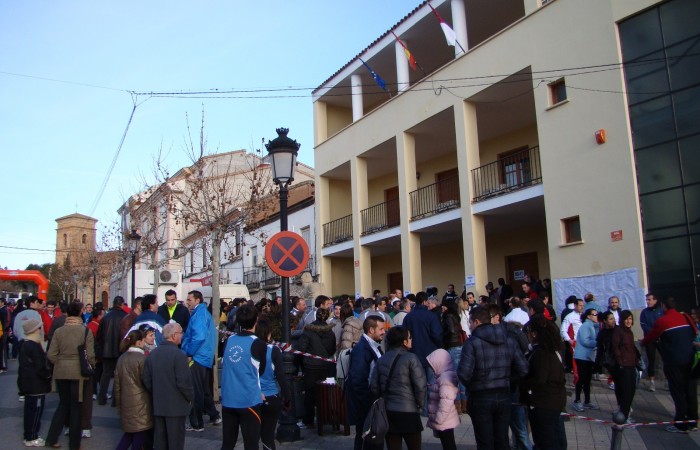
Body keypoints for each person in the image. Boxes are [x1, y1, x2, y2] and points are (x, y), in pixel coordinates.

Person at [458, 306, 528, 450]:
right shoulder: (509, 340)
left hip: (480, 396)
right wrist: (508, 380)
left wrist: (474, 385)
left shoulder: (472, 343)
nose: (469, 326)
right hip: (504, 394)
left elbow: (464, 373)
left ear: (476, 322)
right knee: (502, 439)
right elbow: (523, 368)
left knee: (485, 442)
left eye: (470, 323)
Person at [641, 296, 698, 433]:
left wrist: (642, 343)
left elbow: (649, 338)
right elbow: (695, 332)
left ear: (663, 306)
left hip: (674, 361)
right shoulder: (685, 317)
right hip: (690, 359)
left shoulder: (662, 321)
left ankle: (681, 423)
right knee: (690, 390)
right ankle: (693, 420)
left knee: (678, 391)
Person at [45, 302, 95, 450]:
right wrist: (90, 367)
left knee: (63, 404)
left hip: (61, 370)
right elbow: (90, 355)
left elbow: (51, 354)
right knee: (77, 407)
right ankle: (75, 444)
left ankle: (52, 437)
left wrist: (60, 363)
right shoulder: (85, 331)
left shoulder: (59, 331)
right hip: (78, 371)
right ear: (80, 312)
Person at [371, 326, 426, 450]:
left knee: (393, 446)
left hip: (389, 411)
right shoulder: (411, 358)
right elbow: (420, 386)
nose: (411, 340)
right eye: (409, 337)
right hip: (409, 411)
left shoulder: (381, 359)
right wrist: (420, 404)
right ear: (404, 341)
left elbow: (374, 386)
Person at [220, 304, 267, 450]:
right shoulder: (258, 343)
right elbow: (261, 370)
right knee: (251, 444)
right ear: (256, 320)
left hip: (228, 399)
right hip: (248, 400)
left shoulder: (229, 340)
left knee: (227, 444)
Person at [142, 322, 193, 450]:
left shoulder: (153, 354)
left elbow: (146, 379)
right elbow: (184, 383)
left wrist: (156, 391)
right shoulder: (179, 356)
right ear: (174, 336)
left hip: (158, 405)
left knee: (160, 442)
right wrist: (190, 398)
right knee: (175, 443)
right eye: (181, 333)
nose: (182, 336)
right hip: (176, 407)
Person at [520, 315, 567, 450]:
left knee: (545, 440)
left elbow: (540, 379)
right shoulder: (552, 350)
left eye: (528, 332)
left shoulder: (542, 352)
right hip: (554, 400)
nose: (527, 335)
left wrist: (523, 384)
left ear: (534, 334)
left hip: (544, 402)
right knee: (552, 438)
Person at [181, 290, 221, 431]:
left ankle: (196, 422)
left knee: (195, 391)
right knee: (203, 389)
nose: (187, 302)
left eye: (189, 299)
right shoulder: (201, 313)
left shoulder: (199, 315)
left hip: (198, 357)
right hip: (204, 356)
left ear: (197, 300)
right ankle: (214, 415)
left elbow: (198, 336)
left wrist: (189, 352)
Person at [346, 316, 386, 450]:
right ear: (371, 330)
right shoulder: (362, 350)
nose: (383, 332)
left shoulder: (374, 346)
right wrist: (368, 402)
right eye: (381, 329)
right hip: (366, 404)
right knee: (365, 437)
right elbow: (357, 380)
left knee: (372, 438)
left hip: (372, 402)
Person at [294, 307, 336, 428]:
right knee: (323, 392)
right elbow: (332, 349)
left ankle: (308, 420)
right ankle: (323, 417)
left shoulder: (308, 330)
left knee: (310, 394)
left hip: (310, 365)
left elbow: (302, 347)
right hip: (325, 364)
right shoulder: (330, 332)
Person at [254, 317, 292, 450]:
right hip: (271, 395)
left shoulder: (250, 349)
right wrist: (287, 397)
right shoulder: (273, 350)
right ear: (268, 333)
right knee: (268, 435)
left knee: (253, 435)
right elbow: (280, 376)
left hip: (253, 395)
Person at [114, 329, 153, 450]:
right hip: (141, 402)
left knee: (130, 434)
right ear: (139, 342)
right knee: (139, 434)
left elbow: (117, 384)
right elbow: (147, 382)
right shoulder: (142, 359)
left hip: (126, 400)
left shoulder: (122, 358)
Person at [18, 319, 52, 447]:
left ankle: (28, 435)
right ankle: (32, 436)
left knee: (29, 411)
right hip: (36, 384)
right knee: (36, 411)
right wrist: (48, 375)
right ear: (34, 330)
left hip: (27, 382)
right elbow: (40, 366)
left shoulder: (24, 344)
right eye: (39, 328)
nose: (40, 331)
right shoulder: (34, 346)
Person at [426, 348, 459, 450]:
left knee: (448, 445)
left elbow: (446, 401)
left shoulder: (445, 378)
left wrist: (439, 419)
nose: (432, 368)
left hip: (445, 420)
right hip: (445, 419)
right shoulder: (442, 377)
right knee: (448, 444)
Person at [96, 296, 127, 406]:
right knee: (118, 375)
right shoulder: (124, 316)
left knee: (106, 374)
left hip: (107, 350)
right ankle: (115, 399)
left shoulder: (106, 317)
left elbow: (99, 335)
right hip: (119, 350)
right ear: (121, 304)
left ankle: (102, 397)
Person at [611, 310, 639, 423]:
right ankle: (624, 415)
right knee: (626, 391)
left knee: (631, 390)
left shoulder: (629, 332)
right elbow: (615, 347)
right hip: (623, 366)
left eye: (630, 319)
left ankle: (625, 413)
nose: (628, 321)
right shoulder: (619, 331)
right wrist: (620, 362)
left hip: (631, 364)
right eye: (626, 319)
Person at [571, 308, 600, 412]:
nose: (596, 316)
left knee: (587, 379)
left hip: (588, 357)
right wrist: (597, 343)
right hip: (582, 356)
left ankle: (587, 401)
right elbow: (584, 341)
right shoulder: (586, 326)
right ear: (588, 316)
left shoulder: (591, 326)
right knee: (582, 378)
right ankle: (577, 400)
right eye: (594, 314)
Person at [441, 298, 466, 414]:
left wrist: (443, 335)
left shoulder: (447, 316)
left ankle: (458, 405)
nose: (442, 307)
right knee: (460, 375)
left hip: (452, 345)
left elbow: (451, 330)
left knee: (454, 376)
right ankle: (465, 403)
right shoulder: (456, 315)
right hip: (460, 345)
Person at [639, 293, 663, 392]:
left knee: (666, 359)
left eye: (649, 299)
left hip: (661, 339)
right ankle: (652, 382)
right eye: (647, 300)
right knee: (651, 360)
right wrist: (653, 334)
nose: (648, 301)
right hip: (650, 339)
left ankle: (668, 381)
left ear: (655, 300)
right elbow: (644, 326)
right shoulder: (644, 312)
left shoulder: (661, 311)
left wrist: (659, 334)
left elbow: (663, 324)